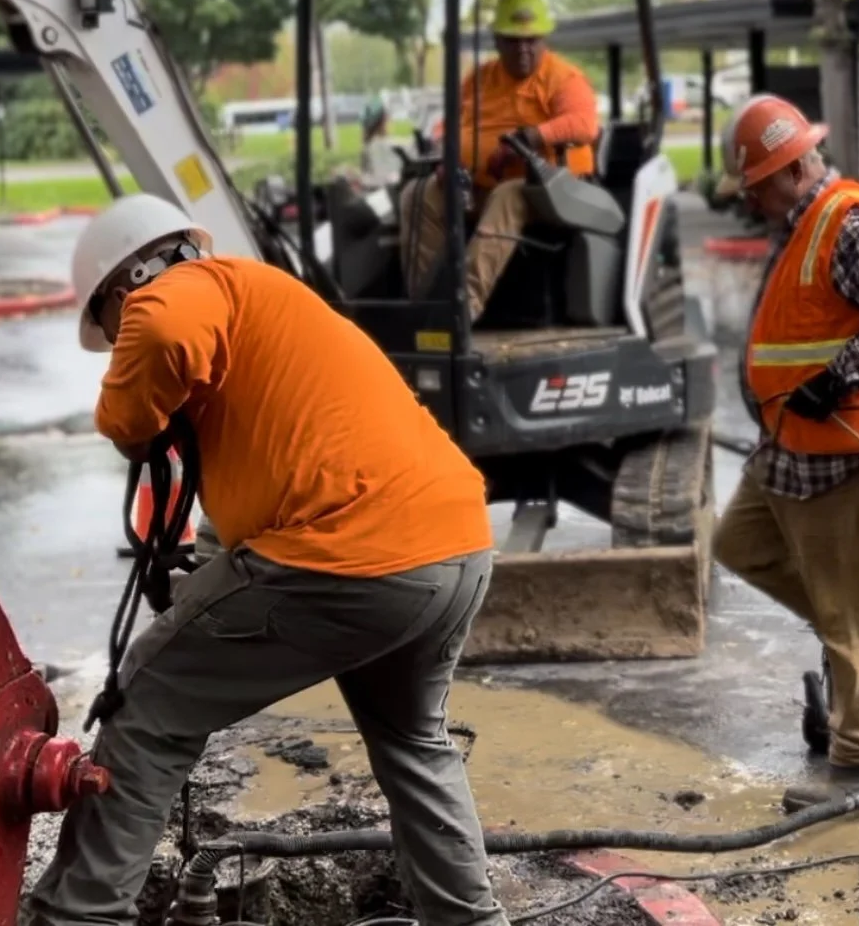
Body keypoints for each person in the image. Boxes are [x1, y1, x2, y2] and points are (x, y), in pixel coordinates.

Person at [28, 194, 506, 926]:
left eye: (110, 328)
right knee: (415, 744)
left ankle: (80, 916)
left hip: (349, 556)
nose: (119, 342)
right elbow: (273, 468)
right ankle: (469, 921)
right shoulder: (265, 303)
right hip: (454, 550)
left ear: (122, 289)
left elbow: (160, 326)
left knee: (150, 704)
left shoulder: (176, 291)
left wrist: (128, 424)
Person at [709, 96, 859, 812]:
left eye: (753, 184)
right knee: (739, 542)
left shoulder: (847, 221)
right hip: (796, 447)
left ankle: (856, 760)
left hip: (850, 450)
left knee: (844, 616)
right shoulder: (802, 220)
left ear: (789, 168)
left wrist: (842, 376)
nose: (748, 199)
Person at [400, 0, 600, 319]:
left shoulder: (563, 79)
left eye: (531, 40)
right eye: (512, 40)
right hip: (483, 185)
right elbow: (451, 125)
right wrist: (449, 160)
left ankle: (464, 307)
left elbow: (583, 124)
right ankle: (426, 305)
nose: (523, 49)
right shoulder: (479, 80)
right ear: (496, 40)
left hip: (552, 190)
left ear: (544, 40)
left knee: (510, 195)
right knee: (419, 195)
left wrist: (531, 138)